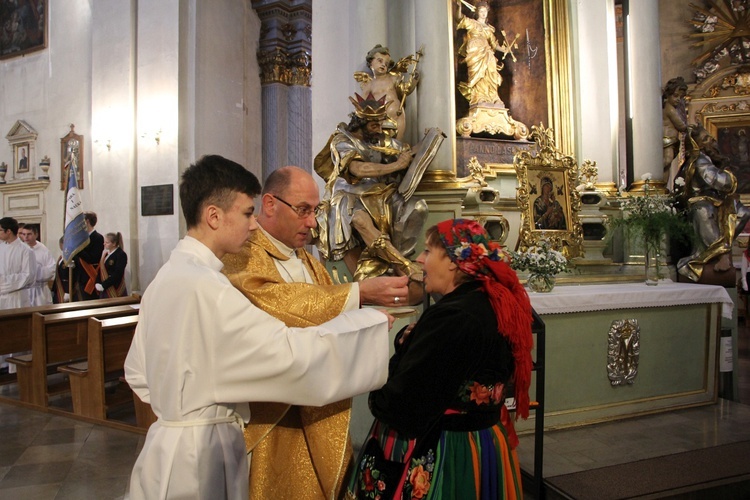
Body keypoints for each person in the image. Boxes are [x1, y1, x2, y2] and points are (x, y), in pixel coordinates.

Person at [124, 154, 394, 500]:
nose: (254, 225)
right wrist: (366, 325)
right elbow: (286, 355)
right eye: (248, 213)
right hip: (201, 454)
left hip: (164, 446)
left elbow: (137, 373)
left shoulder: (166, 278)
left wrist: (178, 406)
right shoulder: (209, 288)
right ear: (214, 216)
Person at [221, 165, 411, 500]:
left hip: (316, 408)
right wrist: (360, 293)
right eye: (303, 210)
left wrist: (366, 319)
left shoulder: (306, 261)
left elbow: (329, 315)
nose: (312, 222)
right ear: (269, 204)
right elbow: (278, 304)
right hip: (273, 417)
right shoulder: (244, 254)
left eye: (316, 211)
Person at [345, 219, 534, 499]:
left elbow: (403, 404)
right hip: (483, 443)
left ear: (454, 262)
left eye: (427, 251)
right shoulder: (494, 302)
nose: (419, 260)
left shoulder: (453, 316)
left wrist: (394, 360)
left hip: (448, 451)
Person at [315, 92, 443, 283]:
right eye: (374, 125)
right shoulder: (342, 141)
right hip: (348, 194)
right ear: (360, 123)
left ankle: (396, 262)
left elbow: (404, 151)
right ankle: (402, 266)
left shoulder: (376, 138)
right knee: (360, 220)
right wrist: (396, 166)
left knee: (416, 208)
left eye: (381, 124)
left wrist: (427, 142)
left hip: (378, 194)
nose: (379, 129)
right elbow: (357, 169)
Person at [676, 125, 750, 282]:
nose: (712, 140)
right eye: (706, 138)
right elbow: (715, 179)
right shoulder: (700, 160)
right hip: (700, 201)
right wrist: (730, 178)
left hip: (715, 200)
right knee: (704, 210)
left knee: (742, 212)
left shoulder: (709, 158)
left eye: (709, 136)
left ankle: (719, 250)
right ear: (699, 145)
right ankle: (721, 254)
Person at [354, 44, 421, 141]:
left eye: (386, 63)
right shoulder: (369, 84)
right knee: (379, 143)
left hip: (396, 117)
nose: (383, 65)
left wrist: (414, 80)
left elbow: (405, 89)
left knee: (396, 143)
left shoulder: (393, 79)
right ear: (370, 62)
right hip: (378, 121)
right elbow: (361, 104)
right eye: (380, 61)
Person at [455, 0, 512, 107]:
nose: (483, 13)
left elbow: (494, 45)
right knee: (478, 74)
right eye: (481, 11)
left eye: (485, 11)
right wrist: (458, 7)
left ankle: (493, 97)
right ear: (477, 12)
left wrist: (505, 50)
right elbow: (459, 18)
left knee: (491, 72)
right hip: (475, 52)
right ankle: (479, 97)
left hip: (487, 52)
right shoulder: (472, 23)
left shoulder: (489, 29)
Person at [0, 217, 37, 374]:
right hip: (2, 297)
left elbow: (29, 276)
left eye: (0, 230)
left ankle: (15, 368)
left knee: (16, 332)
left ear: (9, 231)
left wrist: (4, 283)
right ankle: (2, 365)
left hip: (17, 296)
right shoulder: (1, 248)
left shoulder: (25, 250)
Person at [18, 224, 55, 306]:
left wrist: (34, 272)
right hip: (24, 290)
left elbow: (51, 269)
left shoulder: (43, 250)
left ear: (36, 234)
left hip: (40, 290)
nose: (26, 237)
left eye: (29, 234)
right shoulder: (20, 249)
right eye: (23, 234)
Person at [662, 77, 689, 188]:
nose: (678, 99)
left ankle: (663, 187)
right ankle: (653, 173)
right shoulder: (670, 109)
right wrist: (689, 128)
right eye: (675, 96)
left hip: (670, 140)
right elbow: (680, 125)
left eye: (681, 97)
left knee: (667, 167)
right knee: (667, 160)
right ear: (668, 95)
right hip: (667, 139)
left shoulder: (670, 107)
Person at [75, 211, 104, 300]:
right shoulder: (82, 239)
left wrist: (79, 249)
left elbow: (93, 258)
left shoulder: (98, 238)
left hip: (90, 277)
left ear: (87, 221)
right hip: (80, 277)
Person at [94, 232, 128, 298]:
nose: (104, 244)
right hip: (105, 287)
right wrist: (97, 282)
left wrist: (104, 285)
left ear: (114, 244)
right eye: (104, 242)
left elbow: (117, 273)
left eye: (107, 242)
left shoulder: (121, 254)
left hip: (114, 287)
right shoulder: (106, 255)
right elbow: (101, 270)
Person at [52, 236, 71, 304]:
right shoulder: (61, 257)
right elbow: (57, 275)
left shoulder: (71, 258)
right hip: (58, 287)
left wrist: (68, 291)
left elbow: (73, 275)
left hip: (66, 288)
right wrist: (53, 289)